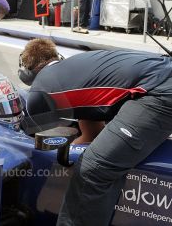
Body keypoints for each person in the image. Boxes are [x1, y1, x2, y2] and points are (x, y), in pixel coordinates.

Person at [18, 38, 172, 225]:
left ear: (28, 73)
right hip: (160, 78)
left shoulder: (39, 91)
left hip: (160, 93)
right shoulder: (80, 72)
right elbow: (92, 135)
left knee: (93, 169)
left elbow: (38, 139)